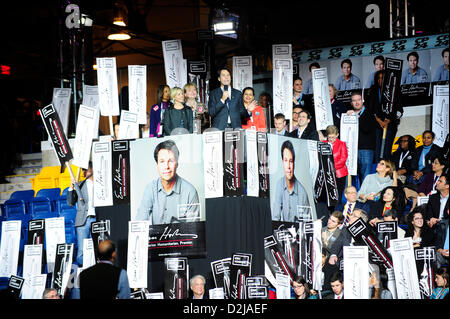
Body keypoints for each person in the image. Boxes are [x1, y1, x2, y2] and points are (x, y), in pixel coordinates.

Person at [136, 139, 200, 224]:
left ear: (177, 164)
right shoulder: (150, 188)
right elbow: (140, 222)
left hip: (181, 237)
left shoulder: (190, 192)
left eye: (170, 161)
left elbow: (193, 230)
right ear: (157, 165)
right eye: (162, 161)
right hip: (157, 237)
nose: (166, 166)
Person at [369, 70, 403, 161]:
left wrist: (388, 121)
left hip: (390, 126)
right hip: (377, 125)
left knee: (387, 150)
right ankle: (377, 170)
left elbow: (399, 111)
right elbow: (370, 110)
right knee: (377, 151)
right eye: (378, 78)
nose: (380, 80)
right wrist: (379, 121)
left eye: (382, 78)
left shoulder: (394, 91)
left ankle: (388, 172)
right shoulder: (373, 91)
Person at [272, 140, 310, 222]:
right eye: (285, 160)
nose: (288, 166)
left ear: (294, 164)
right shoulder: (279, 184)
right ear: (282, 162)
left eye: (291, 161)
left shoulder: (302, 192)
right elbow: (275, 217)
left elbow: (305, 223)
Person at [67, 161, 95, 267]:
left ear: (92, 169)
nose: (83, 172)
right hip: (83, 221)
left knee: (96, 249)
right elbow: (70, 202)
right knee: (81, 254)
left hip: (96, 219)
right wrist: (71, 187)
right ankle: (87, 268)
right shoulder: (80, 185)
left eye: (85, 169)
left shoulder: (100, 184)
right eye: (82, 170)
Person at [346, 91, 376, 185]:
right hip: (351, 150)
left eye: (359, 100)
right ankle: (350, 198)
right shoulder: (349, 114)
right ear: (351, 103)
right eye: (354, 101)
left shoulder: (369, 113)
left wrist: (356, 117)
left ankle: (364, 199)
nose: (357, 102)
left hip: (366, 150)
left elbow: (366, 128)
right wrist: (348, 118)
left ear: (362, 101)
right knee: (350, 176)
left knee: (365, 177)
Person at [323, 125, 348, 204]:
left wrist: (331, 167)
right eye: (329, 137)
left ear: (337, 135)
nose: (331, 139)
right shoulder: (323, 144)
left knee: (337, 196)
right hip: (326, 174)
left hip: (339, 174)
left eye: (333, 137)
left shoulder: (342, 144)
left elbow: (343, 159)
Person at [425, 174, 449, 250]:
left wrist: (440, 220)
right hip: (434, 226)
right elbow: (428, 214)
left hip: (447, 227)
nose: (437, 183)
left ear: (447, 186)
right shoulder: (433, 198)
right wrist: (430, 220)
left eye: (440, 181)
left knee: (442, 226)